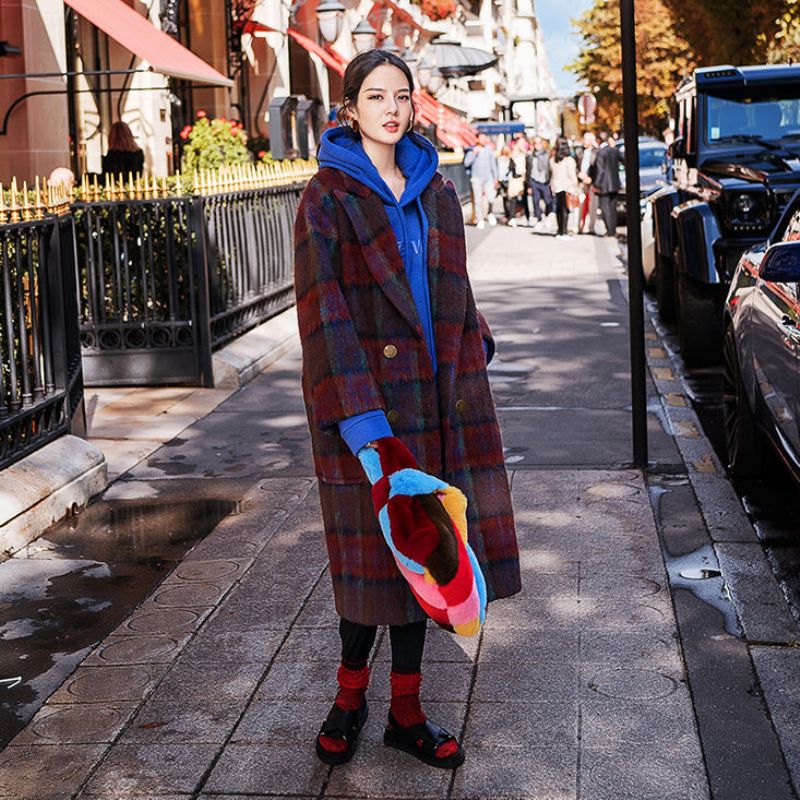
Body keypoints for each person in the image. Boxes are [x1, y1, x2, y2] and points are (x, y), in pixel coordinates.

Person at [293, 49, 521, 770]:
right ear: (350, 108)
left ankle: (409, 713)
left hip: (440, 398)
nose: (391, 108)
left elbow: (456, 286)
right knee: (368, 568)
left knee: (428, 557)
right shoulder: (326, 198)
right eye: (375, 96)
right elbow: (323, 316)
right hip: (367, 415)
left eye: (401, 96)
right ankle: (349, 698)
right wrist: (363, 425)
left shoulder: (437, 190)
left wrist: (473, 344)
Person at [590, 130, 622, 237]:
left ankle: (610, 230)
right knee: (613, 208)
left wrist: (596, 185)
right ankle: (613, 229)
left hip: (604, 185)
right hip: (615, 184)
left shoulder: (601, 153)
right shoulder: (613, 150)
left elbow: (600, 170)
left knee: (606, 208)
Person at [464, 132, 498, 228]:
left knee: (491, 197)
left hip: (488, 177)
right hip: (476, 178)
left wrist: (495, 177)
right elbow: (466, 163)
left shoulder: (489, 150)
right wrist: (474, 154)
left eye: (485, 138)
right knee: (478, 200)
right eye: (481, 138)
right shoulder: (472, 150)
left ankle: (490, 213)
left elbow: (493, 164)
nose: (483, 140)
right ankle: (480, 219)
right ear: (477, 139)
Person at [550, 137, 579, 240]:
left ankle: (560, 230)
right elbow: (572, 175)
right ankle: (564, 232)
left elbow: (551, 173)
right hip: (567, 187)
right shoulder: (569, 160)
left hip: (556, 186)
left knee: (558, 208)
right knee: (565, 209)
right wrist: (575, 188)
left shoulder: (553, 160)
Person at [526, 136, 554, 228]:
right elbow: (528, 170)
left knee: (548, 200)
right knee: (535, 201)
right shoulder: (530, 156)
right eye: (535, 143)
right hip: (534, 181)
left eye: (539, 143)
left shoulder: (547, 154)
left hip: (545, 181)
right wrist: (529, 185)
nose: (537, 145)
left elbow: (550, 168)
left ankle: (547, 216)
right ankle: (539, 219)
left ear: (542, 144)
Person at [577, 131, 598, 234]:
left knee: (592, 206)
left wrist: (591, 179)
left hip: (592, 182)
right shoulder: (579, 152)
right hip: (581, 182)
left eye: (586, 140)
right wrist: (579, 175)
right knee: (580, 205)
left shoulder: (596, 152)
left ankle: (591, 227)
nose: (584, 142)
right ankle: (580, 226)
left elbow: (598, 168)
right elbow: (576, 166)